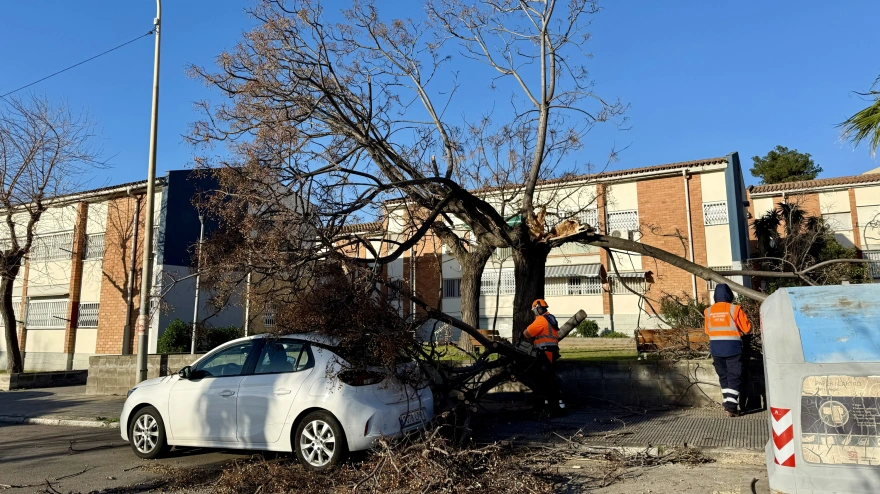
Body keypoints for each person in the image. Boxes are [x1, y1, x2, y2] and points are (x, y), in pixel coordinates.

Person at [703, 283, 752, 417]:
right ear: (729, 295)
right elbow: (747, 328)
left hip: (716, 348)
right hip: (732, 348)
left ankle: (728, 405)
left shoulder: (708, 311)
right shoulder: (735, 309)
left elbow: (707, 330)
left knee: (724, 377)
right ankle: (731, 408)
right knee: (734, 377)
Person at [522, 299, 565, 414]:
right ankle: (554, 406)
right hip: (551, 352)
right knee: (549, 380)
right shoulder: (551, 318)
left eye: (534, 310)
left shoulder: (541, 320)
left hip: (544, 353)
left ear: (537, 308)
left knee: (544, 381)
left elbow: (527, 333)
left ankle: (551, 407)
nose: (534, 313)